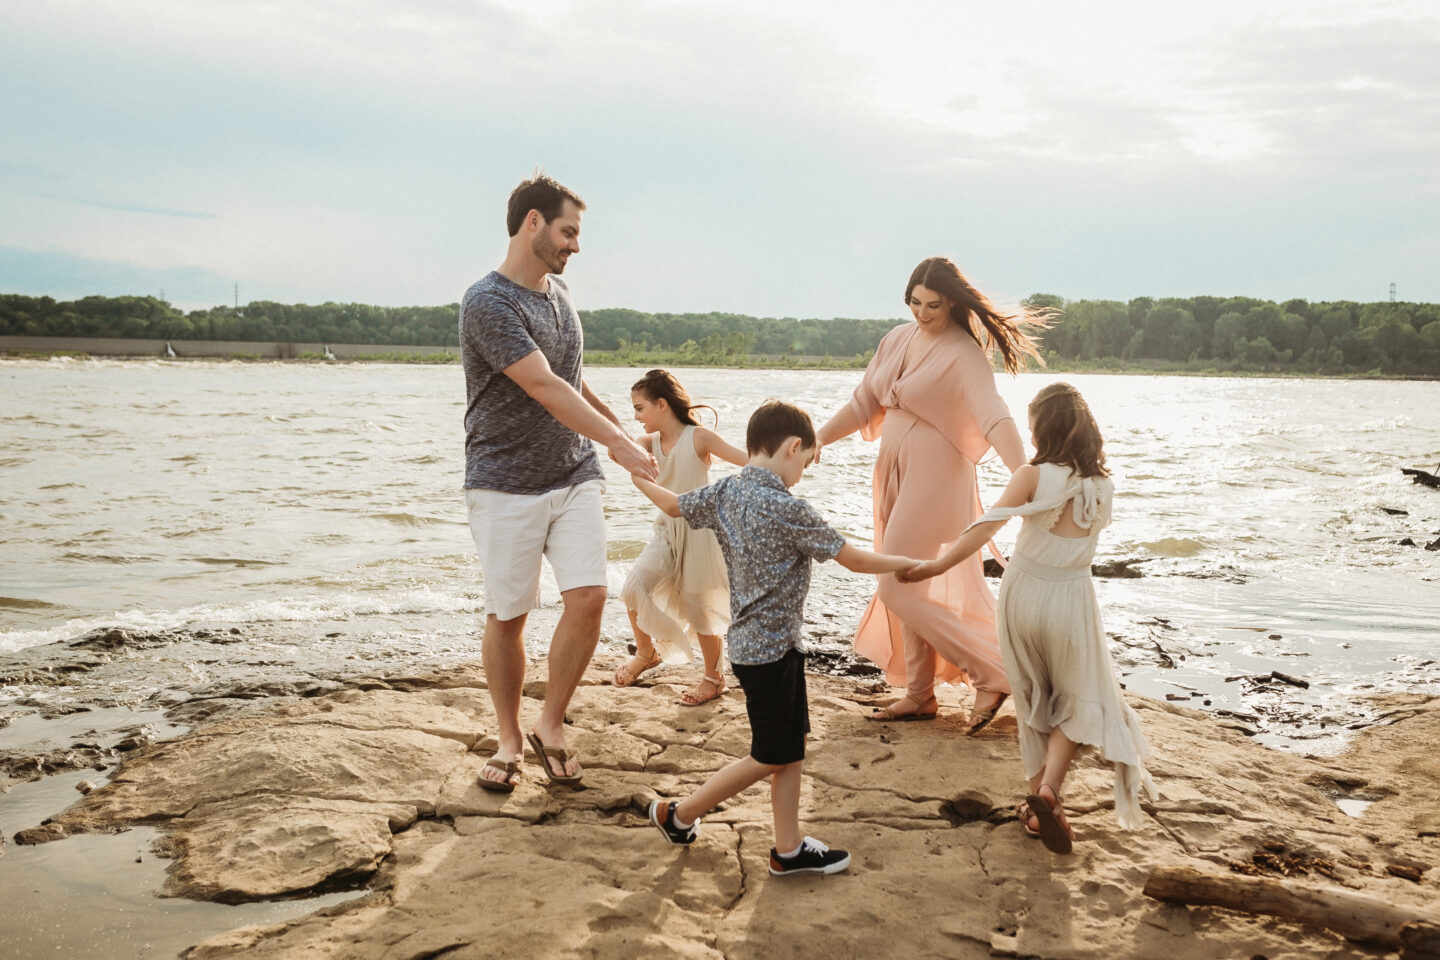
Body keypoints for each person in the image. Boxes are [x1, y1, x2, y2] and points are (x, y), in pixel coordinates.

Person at [635, 400, 921, 876]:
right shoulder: (790, 508)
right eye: (805, 463)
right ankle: (679, 813)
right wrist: (909, 564)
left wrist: (635, 474)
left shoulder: (725, 492)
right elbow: (854, 559)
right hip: (770, 652)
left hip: (757, 647)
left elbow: (670, 503)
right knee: (770, 754)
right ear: (793, 448)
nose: (802, 473)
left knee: (791, 746)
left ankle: (787, 849)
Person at [460, 173, 658, 793]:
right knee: (510, 615)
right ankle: (509, 736)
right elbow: (542, 384)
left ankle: (551, 723)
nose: (576, 245)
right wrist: (620, 443)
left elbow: (570, 378)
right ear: (533, 223)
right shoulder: (487, 303)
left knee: (590, 596)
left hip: (574, 472)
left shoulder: (560, 292)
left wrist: (617, 429)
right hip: (503, 481)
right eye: (569, 231)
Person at [901, 382, 1157, 854]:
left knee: (1033, 695)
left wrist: (937, 565)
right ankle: (1048, 793)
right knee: (1079, 700)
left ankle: (1041, 809)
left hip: (1022, 596)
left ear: (1042, 428)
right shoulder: (1103, 485)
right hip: (1071, 599)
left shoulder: (1033, 475)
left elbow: (986, 527)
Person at [814, 256, 1045, 733]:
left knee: (896, 581)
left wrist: (1022, 470)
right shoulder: (897, 338)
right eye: (915, 303)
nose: (922, 312)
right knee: (908, 583)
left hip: (937, 475)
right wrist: (817, 439)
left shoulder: (964, 354)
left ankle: (992, 670)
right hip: (893, 473)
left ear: (953, 303)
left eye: (933, 305)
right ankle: (919, 694)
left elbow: (993, 414)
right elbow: (863, 402)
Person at [613, 369, 748, 705]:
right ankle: (646, 653)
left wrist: (788, 459)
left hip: (701, 533)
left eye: (640, 408)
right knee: (634, 587)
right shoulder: (647, 444)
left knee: (700, 608)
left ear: (662, 405)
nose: (635, 415)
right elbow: (617, 449)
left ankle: (714, 679)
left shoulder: (699, 438)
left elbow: (746, 461)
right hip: (667, 532)